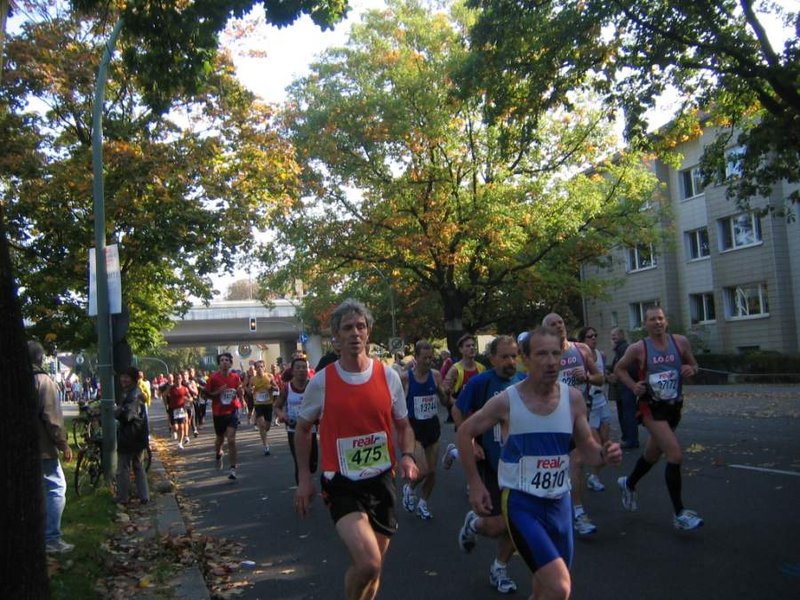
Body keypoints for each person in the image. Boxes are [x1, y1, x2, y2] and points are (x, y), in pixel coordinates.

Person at [457, 327, 622, 600]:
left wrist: (606, 454)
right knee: (560, 587)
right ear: (527, 358)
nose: (550, 361)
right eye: (542, 354)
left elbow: (589, 449)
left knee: (545, 590)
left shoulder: (573, 399)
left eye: (556, 353)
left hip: (560, 504)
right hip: (523, 504)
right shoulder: (507, 400)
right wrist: (475, 484)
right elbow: (464, 432)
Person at [294, 299, 418, 600]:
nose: (354, 333)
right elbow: (302, 429)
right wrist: (305, 479)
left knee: (374, 569)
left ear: (369, 332)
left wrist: (408, 456)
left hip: (381, 480)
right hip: (341, 482)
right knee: (368, 563)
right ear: (335, 336)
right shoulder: (322, 382)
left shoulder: (388, 376)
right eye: (347, 328)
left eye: (360, 326)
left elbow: (404, 425)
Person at [614, 307, 704, 530]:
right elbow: (619, 369)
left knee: (652, 454)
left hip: (673, 407)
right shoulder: (639, 348)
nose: (657, 323)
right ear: (645, 324)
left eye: (660, 318)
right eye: (652, 319)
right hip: (650, 409)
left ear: (666, 321)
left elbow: (694, 365)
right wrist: (633, 385)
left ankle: (629, 483)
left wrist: (690, 369)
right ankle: (680, 514)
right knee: (674, 454)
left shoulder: (680, 342)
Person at [453, 335, 526, 595]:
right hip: (492, 464)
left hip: (519, 468)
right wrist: (471, 442)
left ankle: (500, 567)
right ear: (492, 358)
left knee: (517, 523)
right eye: (504, 356)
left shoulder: (522, 383)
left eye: (514, 356)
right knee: (496, 525)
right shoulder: (481, 382)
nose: (510, 362)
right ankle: (473, 524)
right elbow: (458, 411)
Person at [542, 313, 604, 537]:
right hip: (552, 419)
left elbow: (600, 378)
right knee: (555, 466)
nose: (558, 326)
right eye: (552, 324)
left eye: (560, 322)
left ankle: (578, 513)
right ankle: (550, 508)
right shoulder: (543, 356)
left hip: (579, 417)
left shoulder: (581, 350)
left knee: (577, 461)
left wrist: (587, 376)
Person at [30, 341, 74, 554]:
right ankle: (52, 538)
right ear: (40, 359)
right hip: (43, 447)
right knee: (56, 487)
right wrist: (63, 444)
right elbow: (52, 418)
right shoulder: (43, 381)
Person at [399, 340, 447, 520]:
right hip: (414, 429)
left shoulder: (435, 376)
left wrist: (443, 392)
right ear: (416, 358)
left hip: (432, 427)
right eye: (425, 358)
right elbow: (397, 405)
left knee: (433, 472)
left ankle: (423, 504)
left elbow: (443, 400)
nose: (428, 361)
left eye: (431, 358)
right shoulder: (406, 378)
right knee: (424, 470)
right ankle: (409, 488)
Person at [577, 326, 612, 492]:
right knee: (597, 446)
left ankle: (593, 477)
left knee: (606, 442)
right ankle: (580, 468)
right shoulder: (580, 357)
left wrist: (610, 377)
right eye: (589, 336)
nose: (593, 338)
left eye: (595, 335)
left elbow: (603, 375)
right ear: (582, 340)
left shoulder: (601, 355)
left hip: (602, 401)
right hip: (588, 405)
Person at [274, 356, 318, 484]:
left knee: (312, 465)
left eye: (304, 367)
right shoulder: (287, 388)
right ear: (292, 371)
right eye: (298, 368)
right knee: (300, 463)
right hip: (293, 430)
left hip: (311, 429)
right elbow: (277, 406)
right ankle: (303, 492)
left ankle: (306, 482)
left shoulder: (313, 386)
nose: (301, 370)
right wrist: (282, 415)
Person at [204, 352, 244, 480]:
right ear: (219, 363)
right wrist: (217, 392)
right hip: (218, 413)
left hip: (232, 411)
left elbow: (239, 390)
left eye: (227, 360)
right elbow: (205, 395)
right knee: (220, 439)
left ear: (231, 363)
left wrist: (240, 394)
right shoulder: (213, 378)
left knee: (231, 440)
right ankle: (218, 453)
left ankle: (233, 468)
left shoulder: (235, 377)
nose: (224, 362)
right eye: (222, 360)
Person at [115, 367, 150, 505]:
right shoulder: (136, 392)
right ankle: (144, 496)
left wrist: (117, 412)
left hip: (130, 435)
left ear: (134, 379)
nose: (123, 379)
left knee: (123, 467)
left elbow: (128, 415)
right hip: (139, 434)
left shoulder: (133, 395)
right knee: (138, 466)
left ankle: (123, 497)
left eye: (127, 377)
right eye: (122, 376)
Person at [443, 334, 485, 425]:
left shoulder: (481, 368)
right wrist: (463, 403)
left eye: (473, 345)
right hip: (463, 419)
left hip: (480, 417)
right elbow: (446, 397)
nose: (472, 348)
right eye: (468, 346)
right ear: (461, 350)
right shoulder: (455, 370)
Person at [608, 327, 639, 449]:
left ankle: (631, 439)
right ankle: (627, 437)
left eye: (615, 334)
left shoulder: (624, 349)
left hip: (626, 386)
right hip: (623, 386)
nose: (613, 337)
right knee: (624, 413)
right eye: (612, 335)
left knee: (628, 413)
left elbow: (629, 368)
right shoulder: (619, 349)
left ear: (622, 334)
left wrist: (617, 376)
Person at [250, 360, 278, 455]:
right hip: (258, 404)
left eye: (261, 366)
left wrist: (271, 387)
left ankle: (263, 433)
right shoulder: (253, 379)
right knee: (261, 425)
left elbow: (276, 388)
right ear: (255, 368)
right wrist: (251, 389)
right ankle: (266, 446)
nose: (260, 368)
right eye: (258, 367)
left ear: (264, 367)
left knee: (267, 427)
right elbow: (249, 389)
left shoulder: (270, 376)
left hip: (268, 404)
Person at [166, 372, 190, 449]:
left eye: (179, 378)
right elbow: (164, 395)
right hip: (173, 409)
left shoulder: (184, 389)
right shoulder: (171, 388)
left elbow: (190, 398)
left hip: (181, 409)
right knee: (176, 427)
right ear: (174, 379)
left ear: (181, 379)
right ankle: (174, 431)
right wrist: (166, 403)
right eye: (176, 379)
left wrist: (188, 400)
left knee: (182, 427)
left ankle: (180, 443)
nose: (178, 380)